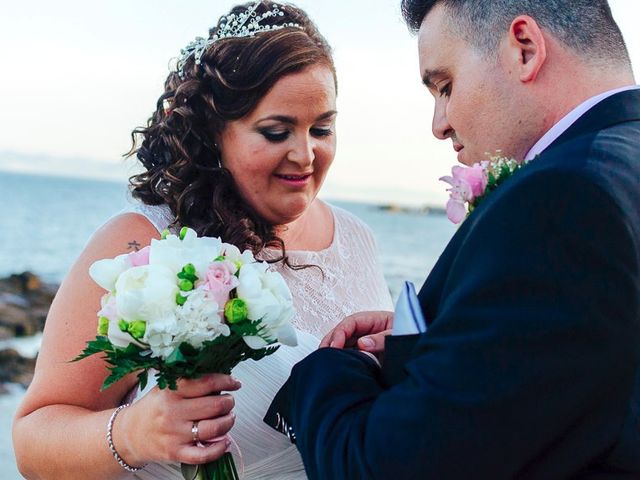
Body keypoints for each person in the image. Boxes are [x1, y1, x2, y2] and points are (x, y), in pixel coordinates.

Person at [12, 2, 393, 479]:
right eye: (276, 132)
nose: (305, 154)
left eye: (322, 128)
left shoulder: (358, 239)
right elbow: (33, 440)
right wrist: (132, 433)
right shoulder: (141, 242)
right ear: (215, 133)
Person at [264, 0, 640, 478]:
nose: (439, 124)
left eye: (445, 86)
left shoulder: (561, 200)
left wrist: (330, 369)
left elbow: (389, 468)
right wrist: (447, 334)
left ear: (523, 49)